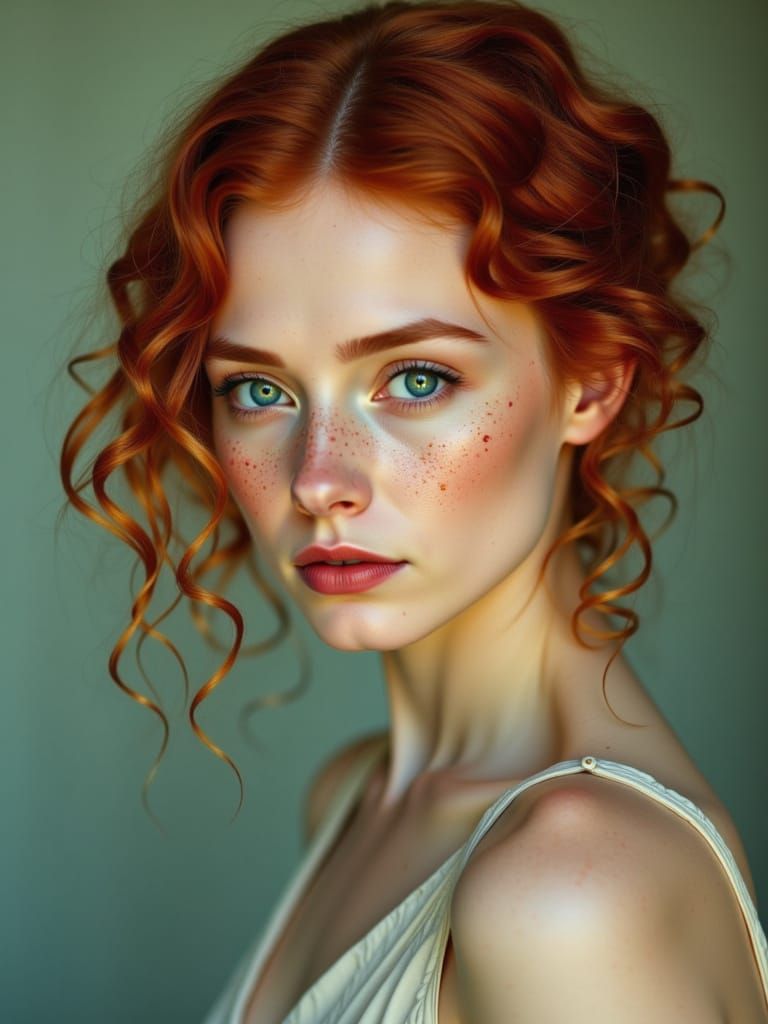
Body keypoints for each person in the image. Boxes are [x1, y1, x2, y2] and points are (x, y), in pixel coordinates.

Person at [59, 1, 768, 1020]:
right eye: (258, 388)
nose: (318, 479)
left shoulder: (572, 894)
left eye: (417, 379)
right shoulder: (354, 797)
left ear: (593, 382)